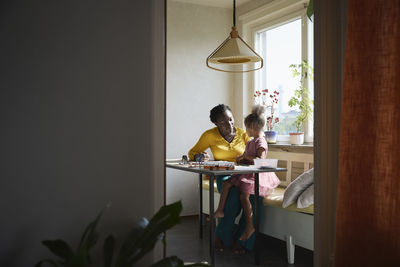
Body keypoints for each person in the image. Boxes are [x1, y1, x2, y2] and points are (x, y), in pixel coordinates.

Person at [188, 104, 253, 253]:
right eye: (223, 122)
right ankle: (221, 236)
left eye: (230, 120)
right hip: (223, 175)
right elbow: (193, 152)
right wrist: (200, 156)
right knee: (234, 194)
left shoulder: (243, 134)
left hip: (243, 175)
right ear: (216, 123)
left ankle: (243, 240)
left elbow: (254, 153)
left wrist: (246, 159)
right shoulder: (209, 135)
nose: (229, 124)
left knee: (256, 198)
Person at [214, 105, 280, 241]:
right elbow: (246, 154)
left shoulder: (261, 142)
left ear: (252, 128)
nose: (245, 130)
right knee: (227, 183)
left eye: (246, 127)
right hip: (246, 172)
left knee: (244, 197)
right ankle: (220, 210)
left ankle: (250, 226)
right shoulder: (251, 142)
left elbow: (261, 160)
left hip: (256, 176)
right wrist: (241, 158)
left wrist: (246, 158)